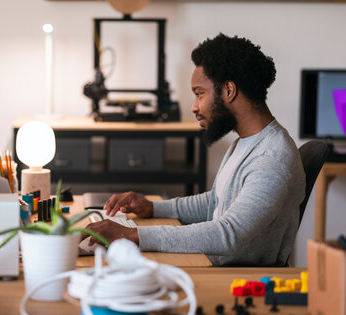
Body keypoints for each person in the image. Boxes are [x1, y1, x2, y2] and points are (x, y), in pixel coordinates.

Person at [83, 33, 305, 266]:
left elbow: (227, 234)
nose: (194, 107)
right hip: (210, 263)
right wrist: (152, 207)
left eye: (199, 93)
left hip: (232, 279)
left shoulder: (272, 158)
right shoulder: (246, 142)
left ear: (228, 90)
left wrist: (132, 234)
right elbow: (215, 202)